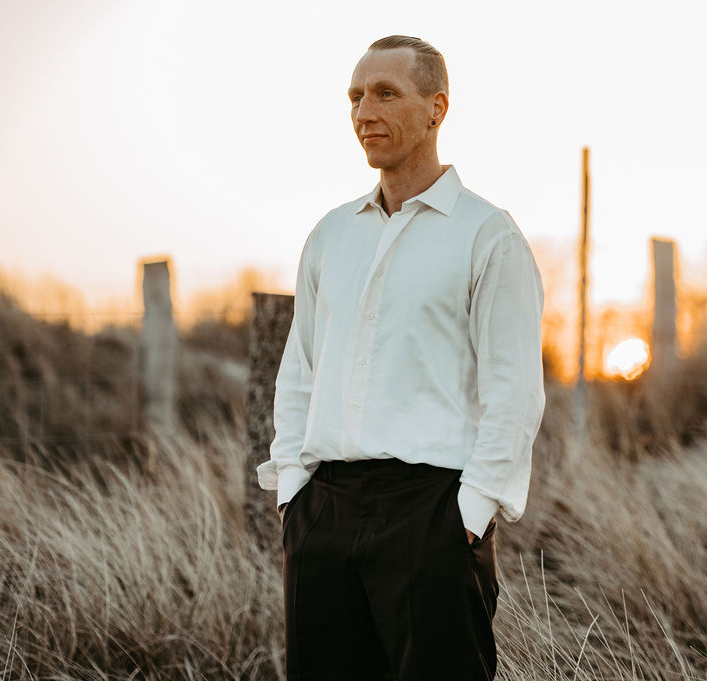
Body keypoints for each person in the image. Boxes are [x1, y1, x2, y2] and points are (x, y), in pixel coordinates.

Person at [256, 34, 545, 681]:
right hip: (323, 513)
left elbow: (515, 391)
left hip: (432, 515)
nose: (364, 112)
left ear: (436, 108)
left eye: (385, 93)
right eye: (355, 96)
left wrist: (468, 518)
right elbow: (299, 371)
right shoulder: (331, 234)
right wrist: (294, 494)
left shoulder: (487, 234)